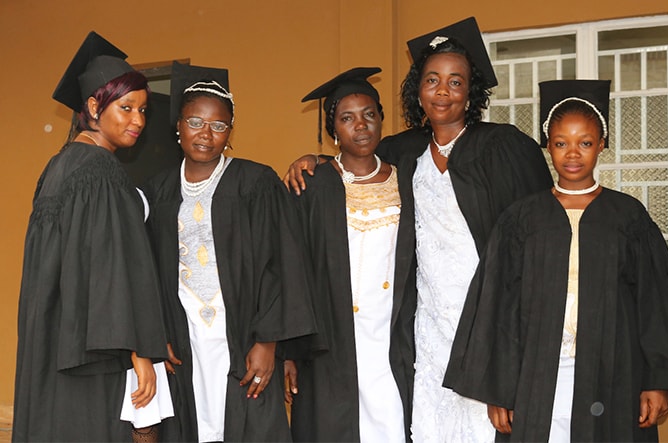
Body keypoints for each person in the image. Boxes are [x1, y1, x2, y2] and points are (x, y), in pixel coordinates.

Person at [284, 17, 553, 442]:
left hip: (486, 316)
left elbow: (538, 239)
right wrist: (313, 159)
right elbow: (357, 159)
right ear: (417, 89)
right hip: (425, 323)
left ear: (471, 90)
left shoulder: (505, 148)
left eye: (455, 81)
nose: (442, 91)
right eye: (432, 80)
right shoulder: (404, 151)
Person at [443, 79, 668, 442]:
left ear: (601, 145)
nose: (572, 154)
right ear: (548, 146)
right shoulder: (521, 219)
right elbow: (498, 306)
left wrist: (658, 380)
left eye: (585, 143)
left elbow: (655, 303)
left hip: (615, 372)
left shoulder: (628, 217)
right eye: (561, 143)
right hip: (537, 373)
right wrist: (499, 389)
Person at [143, 61, 316, 442]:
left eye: (218, 125)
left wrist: (269, 342)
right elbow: (149, 270)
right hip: (184, 336)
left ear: (230, 131)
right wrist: (159, 333)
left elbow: (281, 266)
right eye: (195, 122)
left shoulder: (256, 183)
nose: (206, 134)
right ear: (178, 125)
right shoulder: (159, 191)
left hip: (242, 338)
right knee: (191, 426)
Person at [13, 31, 170, 442]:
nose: (138, 120)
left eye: (143, 109)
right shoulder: (99, 172)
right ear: (93, 107)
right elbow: (109, 269)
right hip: (93, 350)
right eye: (126, 107)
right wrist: (139, 351)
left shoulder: (60, 165)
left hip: (57, 340)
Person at [284, 67, 415, 443]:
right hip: (332, 336)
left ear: (381, 120)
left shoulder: (406, 178)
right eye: (347, 118)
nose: (360, 126)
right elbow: (292, 269)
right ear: (333, 130)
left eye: (369, 115)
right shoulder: (311, 184)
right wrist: (290, 351)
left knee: (390, 420)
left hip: (393, 332)